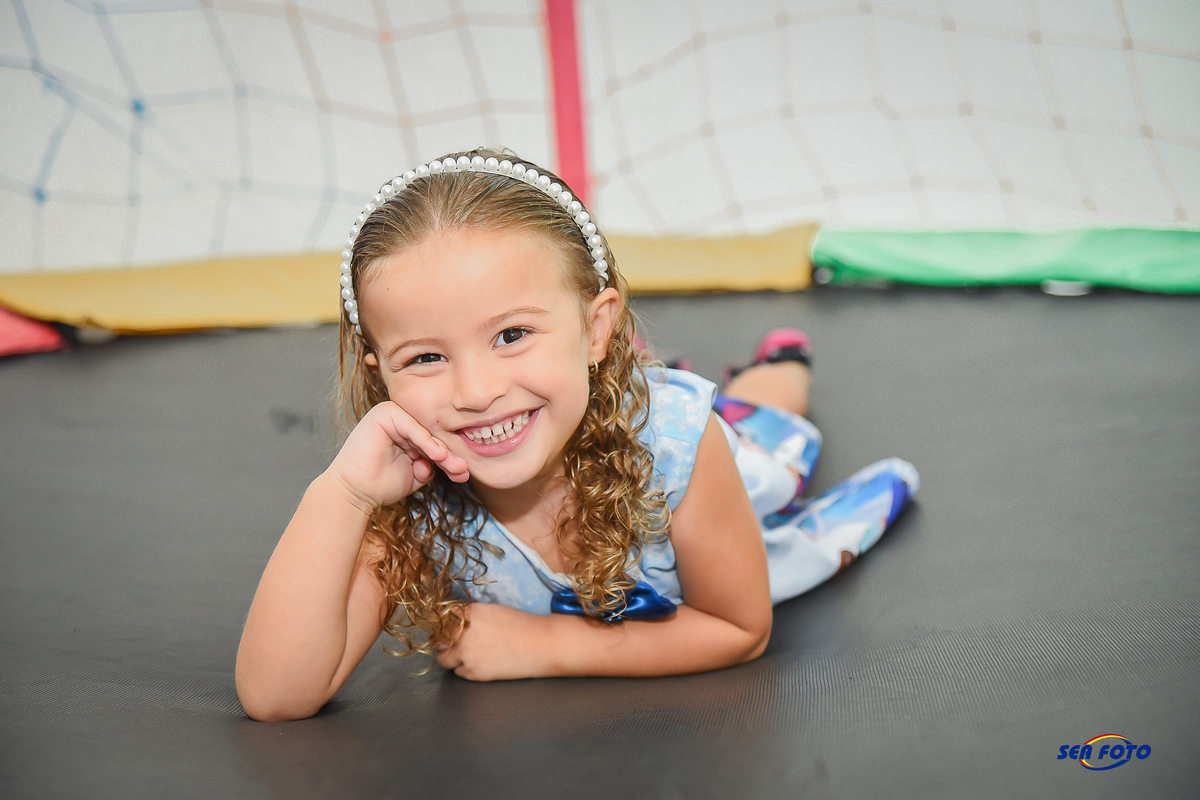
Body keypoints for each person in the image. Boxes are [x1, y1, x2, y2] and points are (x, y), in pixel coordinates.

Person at [235, 148, 918, 721]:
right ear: (382, 375)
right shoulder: (404, 496)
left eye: (512, 334)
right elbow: (275, 697)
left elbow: (740, 630)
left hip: (705, 457)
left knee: (772, 439)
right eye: (426, 357)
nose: (476, 392)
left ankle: (781, 363)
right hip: (581, 406)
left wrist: (545, 646)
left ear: (596, 330)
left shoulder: (677, 442)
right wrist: (343, 494)